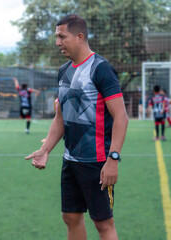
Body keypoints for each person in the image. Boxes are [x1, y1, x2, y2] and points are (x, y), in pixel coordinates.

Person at [25, 14, 128, 240]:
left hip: (97, 162)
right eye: (56, 37)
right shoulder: (64, 71)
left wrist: (113, 159)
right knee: (70, 217)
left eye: (62, 37)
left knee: (103, 224)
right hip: (70, 160)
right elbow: (60, 118)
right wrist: (46, 149)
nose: (57, 42)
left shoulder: (101, 69)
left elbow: (121, 117)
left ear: (80, 37)